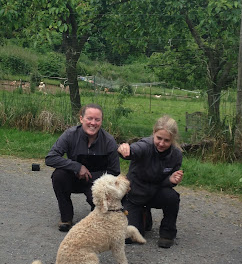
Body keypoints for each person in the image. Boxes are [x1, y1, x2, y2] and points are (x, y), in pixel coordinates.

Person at [45, 103, 120, 232]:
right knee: (58, 175)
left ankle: (96, 211)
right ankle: (66, 217)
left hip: (97, 183)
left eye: (97, 120)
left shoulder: (109, 141)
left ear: (101, 121)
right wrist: (76, 167)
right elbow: (50, 158)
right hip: (74, 178)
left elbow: (115, 171)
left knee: (100, 218)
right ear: (81, 119)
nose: (93, 123)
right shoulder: (70, 135)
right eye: (89, 118)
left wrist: (93, 178)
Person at [118, 115, 183, 248]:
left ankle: (167, 233)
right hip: (136, 194)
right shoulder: (145, 145)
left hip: (156, 193)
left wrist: (171, 180)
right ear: (153, 133)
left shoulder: (176, 154)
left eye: (166, 140)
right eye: (159, 138)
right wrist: (125, 150)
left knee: (172, 197)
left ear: (172, 140)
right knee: (129, 238)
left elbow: (168, 182)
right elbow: (134, 150)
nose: (161, 143)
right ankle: (143, 215)